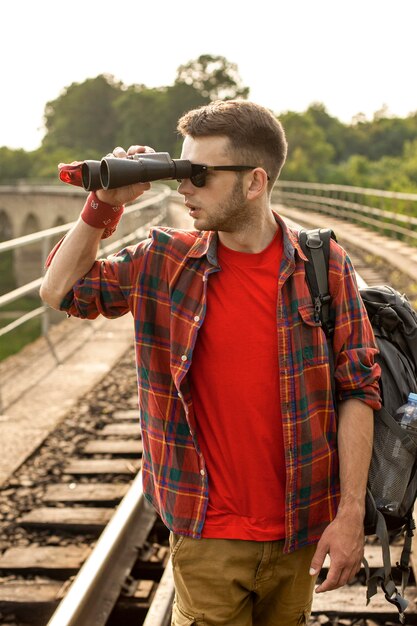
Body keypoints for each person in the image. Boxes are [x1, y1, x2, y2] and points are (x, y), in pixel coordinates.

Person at [40, 99, 381, 626]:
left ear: (254, 182)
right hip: (208, 536)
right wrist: (102, 205)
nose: (183, 187)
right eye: (181, 170)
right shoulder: (165, 260)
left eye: (199, 174)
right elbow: (60, 289)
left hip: (299, 535)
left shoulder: (323, 264)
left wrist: (351, 513)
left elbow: (358, 387)